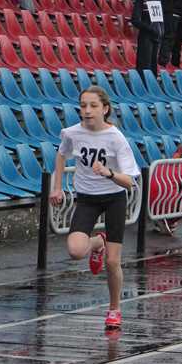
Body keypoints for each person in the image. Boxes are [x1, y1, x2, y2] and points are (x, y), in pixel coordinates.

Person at [49, 86, 140, 333]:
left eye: (93, 106)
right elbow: (61, 155)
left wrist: (108, 173)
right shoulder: (72, 133)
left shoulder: (115, 138)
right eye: (83, 106)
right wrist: (57, 187)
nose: (87, 111)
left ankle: (114, 308)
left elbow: (130, 181)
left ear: (105, 109)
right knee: (76, 250)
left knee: (113, 262)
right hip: (87, 199)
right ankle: (98, 243)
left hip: (113, 199)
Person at [131, 0, 164, 76]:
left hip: (157, 37)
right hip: (146, 37)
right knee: (144, 65)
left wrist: (162, 31)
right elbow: (135, 19)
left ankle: (152, 87)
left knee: (153, 66)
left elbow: (161, 18)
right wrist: (148, 28)